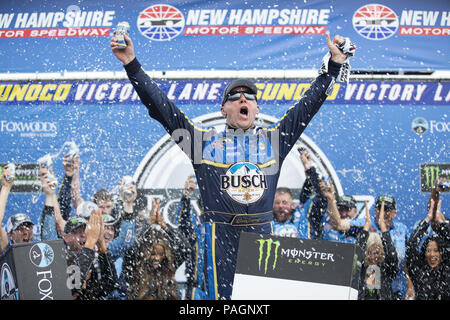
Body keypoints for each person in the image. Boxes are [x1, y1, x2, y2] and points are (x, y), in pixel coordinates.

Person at [111, 31, 354, 300]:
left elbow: (308, 105)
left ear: (257, 108)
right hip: (220, 238)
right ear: (223, 108)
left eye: (249, 96)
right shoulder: (201, 143)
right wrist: (131, 63)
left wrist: (333, 66)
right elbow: (161, 107)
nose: (242, 99)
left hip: (261, 236)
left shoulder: (275, 141)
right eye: (234, 96)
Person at [124, 198, 189, 300]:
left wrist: (164, 225)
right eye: (153, 253)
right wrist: (148, 224)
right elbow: (129, 247)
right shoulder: (136, 268)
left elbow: (185, 248)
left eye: (161, 254)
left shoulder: (168, 268)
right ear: (145, 253)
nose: (157, 258)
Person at [63, 209, 118, 300]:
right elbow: (72, 287)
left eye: (85, 230)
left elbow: (110, 285)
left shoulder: (88, 259)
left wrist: (101, 245)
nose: (83, 235)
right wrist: (90, 242)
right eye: (76, 231)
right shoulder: (62, 258)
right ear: (66, 237)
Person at [406, 198, 449, 300]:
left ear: (442, 253)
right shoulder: (419, 272)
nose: (432, 254)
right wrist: (427, 219)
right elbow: (411, 246)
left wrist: (441, 222)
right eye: (428, 250)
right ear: (424, 254)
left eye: (436, 250)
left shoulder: (447, 270)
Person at [356, 200, 398, 300]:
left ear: (382, 253)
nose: (372, 256)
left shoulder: (387, 270)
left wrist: (383, 227)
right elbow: (355, 255)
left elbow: (392, 255)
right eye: (369, 253)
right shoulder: (360, 270)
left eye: (376, 252)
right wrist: (366, 228)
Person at [370, 195, 410, 300]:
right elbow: (339, 225)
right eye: (380, 208)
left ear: (394, 213)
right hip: (371, 284)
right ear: (375, 210)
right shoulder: (366, 225)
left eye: (387, 209)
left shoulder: (402, 229)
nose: (382, 212)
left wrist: (409, 284)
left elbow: (406, 260)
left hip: (394, 287)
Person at [176, 175, 207, 300]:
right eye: (205, 205)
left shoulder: (221, 227)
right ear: (199, 207)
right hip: (195, 288)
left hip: (217, 286)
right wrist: (187, 196)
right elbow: (181, 221)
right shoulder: (195, 223)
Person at [0, 164, 35, 254]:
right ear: (10, 236)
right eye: (19, 229)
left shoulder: (42, 253)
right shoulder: (7, 252)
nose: (25, 232)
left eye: (28, 227)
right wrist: (6, 188)